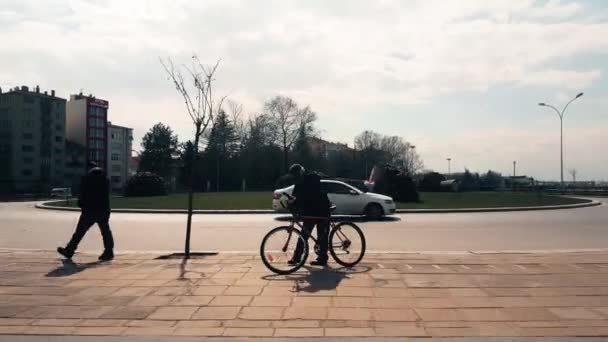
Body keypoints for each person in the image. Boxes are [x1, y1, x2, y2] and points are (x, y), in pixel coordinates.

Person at [57, 161, 114, 261]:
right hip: (104, 209)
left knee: (79, 232)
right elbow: (108, 192)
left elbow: (82, 193)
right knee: (105, 231)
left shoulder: (87, 178)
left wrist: (81, 203)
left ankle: (69, 250)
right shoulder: (105, 179)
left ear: (88, 169)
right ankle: (109, 251)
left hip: (89, 210)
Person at [287, 164, 331, 266]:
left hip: (322, 210)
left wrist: (296, 202)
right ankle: (297, 257)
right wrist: (291, 203)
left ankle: (322, 258)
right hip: (310, 212)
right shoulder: (298, 183)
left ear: (301, 174)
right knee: (303, 236)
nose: (295, 179)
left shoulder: (312, 179)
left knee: (322, 236)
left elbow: (306, 197)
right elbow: (296, 197)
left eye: (296, 176)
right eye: (294, 177)